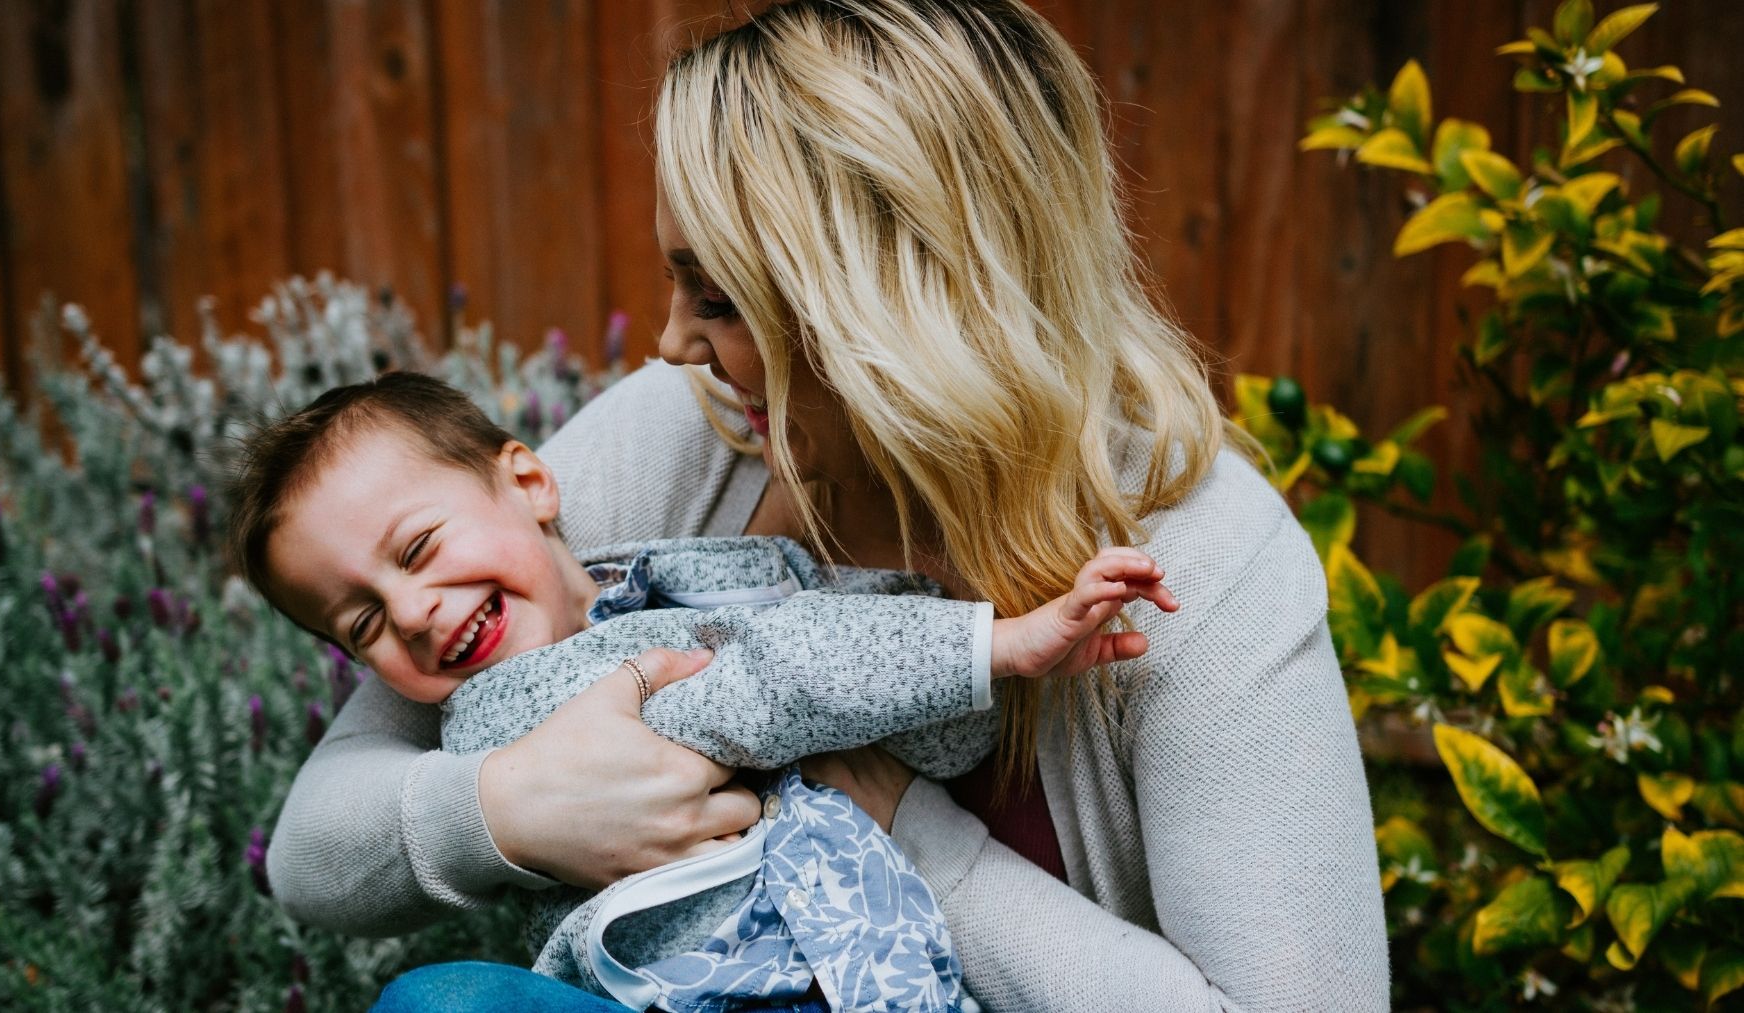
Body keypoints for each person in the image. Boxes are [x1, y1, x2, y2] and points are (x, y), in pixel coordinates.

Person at [269, 1, 1390, 1009]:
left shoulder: (1202, 556)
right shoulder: (689, 431)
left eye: (719, 300)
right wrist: (513, 807)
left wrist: (900, 823)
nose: (670, 344)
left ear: (899, 299)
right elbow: (317, 844)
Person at [234, 372, 1175, 1011]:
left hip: (873, 969)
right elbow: (765, 684)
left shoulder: (691, 578)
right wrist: (998, 645)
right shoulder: (507, 710)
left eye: (417, 550)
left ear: (529, 479)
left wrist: (949, 685)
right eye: (360, 624)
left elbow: (924, 737)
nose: (410, 611)